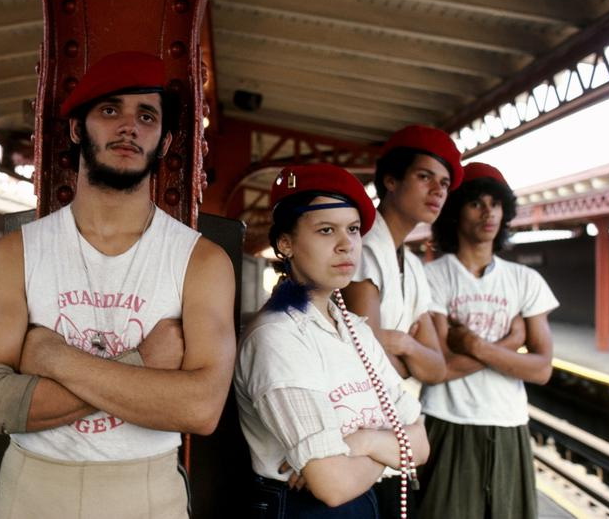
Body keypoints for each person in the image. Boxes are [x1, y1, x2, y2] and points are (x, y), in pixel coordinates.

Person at [0, 51, 236, 519]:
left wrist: (51, 357)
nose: (129, 126)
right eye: (110, 110)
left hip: (146, 493)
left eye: (146, 116)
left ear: (165, 141)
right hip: (31, 488)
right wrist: (143, 364)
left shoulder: (202, 261)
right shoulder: (14, 254)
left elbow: (200, 408)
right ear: (77, 129)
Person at [234, 164, 429, 518]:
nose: (346, 245)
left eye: (353, 230)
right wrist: (385, 449)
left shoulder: (355, 330)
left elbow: (422, 444)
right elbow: (332, 485)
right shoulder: (278, 337)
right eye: (326, 230)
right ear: (286, 243)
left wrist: (361, 442)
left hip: (360, 504)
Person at [418, 162, 557, 519]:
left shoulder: (525, 280)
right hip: (447, 421)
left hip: (509, 424)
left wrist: (475, 345)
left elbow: (541, 369)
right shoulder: (432, 277)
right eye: (476, 203)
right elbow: (441, 367)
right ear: (455, 211)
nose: (488, 213)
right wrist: (511, 342)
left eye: (495, 204)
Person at [340, 125, 460, 517]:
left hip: (392, 440)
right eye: (425, 177)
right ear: (391, 180)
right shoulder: (363, 247)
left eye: (444, 183)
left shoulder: (414, 265)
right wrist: (407, 357)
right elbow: (363, 359)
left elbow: (437, 368)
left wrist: (404, 344)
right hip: (355, 442)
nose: (438, 191)